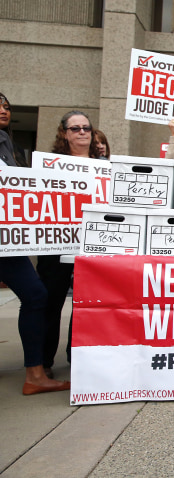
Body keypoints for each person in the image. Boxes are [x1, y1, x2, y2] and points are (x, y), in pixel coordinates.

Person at [0, 93, 70, 395]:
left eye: (6, 106)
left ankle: (35, 373)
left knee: (35, 295)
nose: (3, 110)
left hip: (6, 242)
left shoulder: (10, 148)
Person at [38, 110, 98, 375]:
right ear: (64, 133)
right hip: (57, 244)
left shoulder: (104, 164)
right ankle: (43, 361)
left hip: (92, 243)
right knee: (50, 301)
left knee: (86, 305)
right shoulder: (49, 165)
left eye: (86, 128)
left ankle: (78, 358)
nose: (82, 132)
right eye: (75, 128)